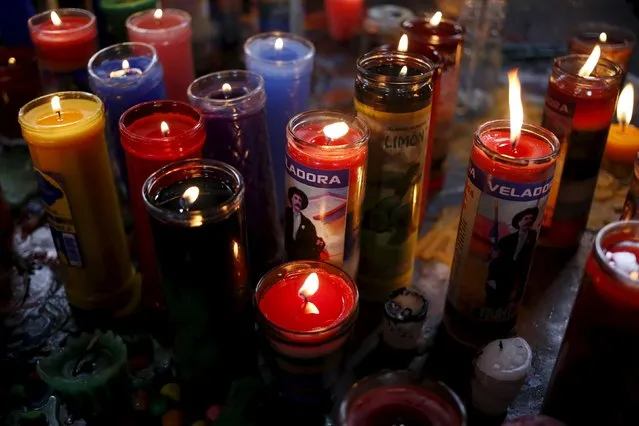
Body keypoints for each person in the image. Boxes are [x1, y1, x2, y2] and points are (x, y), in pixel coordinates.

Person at [485, 207, 539, 308]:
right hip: (502, 275)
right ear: (519, 222)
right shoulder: (506, 240)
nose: (529, 221)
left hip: (518, 277)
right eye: (526, 218)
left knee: (507, 304)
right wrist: (492, 256)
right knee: (493, 301)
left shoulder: (533, 237)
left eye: (531, 219)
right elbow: (492, 258)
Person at [284, 187, 325, 260]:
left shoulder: (307, 223)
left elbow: (312, 240)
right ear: (291, 199)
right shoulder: (283, 214)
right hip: (283, 259)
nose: (298, 202)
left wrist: (319, 242)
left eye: (300, 200)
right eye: (295, 198)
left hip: (301, 261)